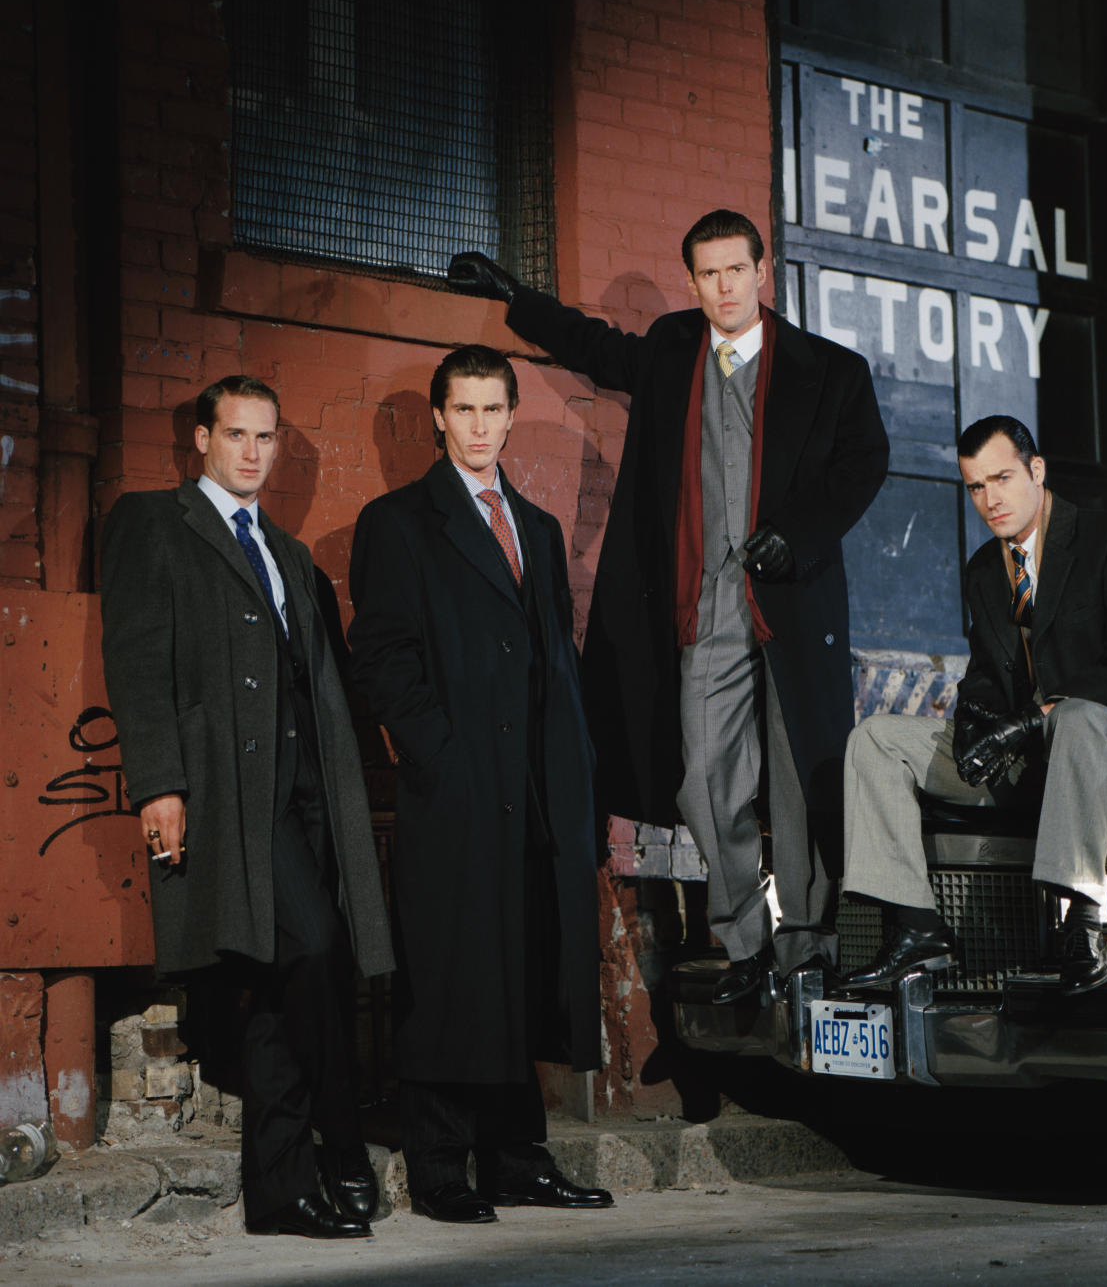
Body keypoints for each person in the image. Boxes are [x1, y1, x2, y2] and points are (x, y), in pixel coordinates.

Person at [446, 210, 889, 1003]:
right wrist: (516, 296)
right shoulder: (674, 350)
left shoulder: (830, 370)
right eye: (707, 274)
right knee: (703, 775)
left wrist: (800, 533)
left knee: (800, 782)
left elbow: (866, 462)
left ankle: (808, 948)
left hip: (789, 602)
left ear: (763, 272)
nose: (722, 287)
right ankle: (748, 943)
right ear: (692, 281)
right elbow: (593, 347)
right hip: (708, 601)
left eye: (734, 271)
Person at [100, 375, 394, 1239]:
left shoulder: (290, 554)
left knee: (282, 978)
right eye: (236, 435)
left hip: (305, 795)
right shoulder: (154, 524)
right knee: (313, 950)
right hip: (231, 795)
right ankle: (338, 1140)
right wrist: (159, 783)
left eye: (266, 438)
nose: (253, 453)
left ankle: (278, 1190)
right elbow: (138, 662)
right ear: (201, 438)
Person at [348, 345, 612, 1225]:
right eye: (463, 410)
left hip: (536, 787)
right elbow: (382, 657)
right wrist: (442, 756)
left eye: (494, 410)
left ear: (507, 414)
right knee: (455, 970)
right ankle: (439, 1163)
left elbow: (554, 664)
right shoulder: (399, 522)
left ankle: (518, 1157)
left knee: (526, 966)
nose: (480, 427)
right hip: (458, 785)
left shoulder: (533, 527)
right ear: (438, 416)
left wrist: (571, 779)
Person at [840, 415, 1107, 994]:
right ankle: (917, 928)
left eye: (1002, 478)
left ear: (1036, 470)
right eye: (975, 487)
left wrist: (1030, 720)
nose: (990, 500)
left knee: (1076, 717)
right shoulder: (983, 571)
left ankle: (1081, 925)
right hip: (1037, 760)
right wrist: (974, 720)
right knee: (874, 738)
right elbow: (988, 677)